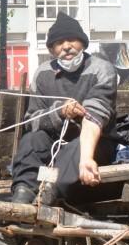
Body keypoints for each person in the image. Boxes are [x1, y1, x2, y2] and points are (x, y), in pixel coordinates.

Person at [10, 12, 117, 205]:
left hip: (93, 143)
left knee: (78, 145)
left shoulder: (101, 69)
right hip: (55, 143)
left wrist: (86, 158)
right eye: (59, 42)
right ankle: (22, 195)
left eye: (71, 40)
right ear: (51, 49)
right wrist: (59, 111)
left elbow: (95, 116)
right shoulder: (42, 73)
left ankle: (48, 196)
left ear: (83, 43)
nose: (66, 46)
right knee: (31, 140)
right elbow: (32, 119)